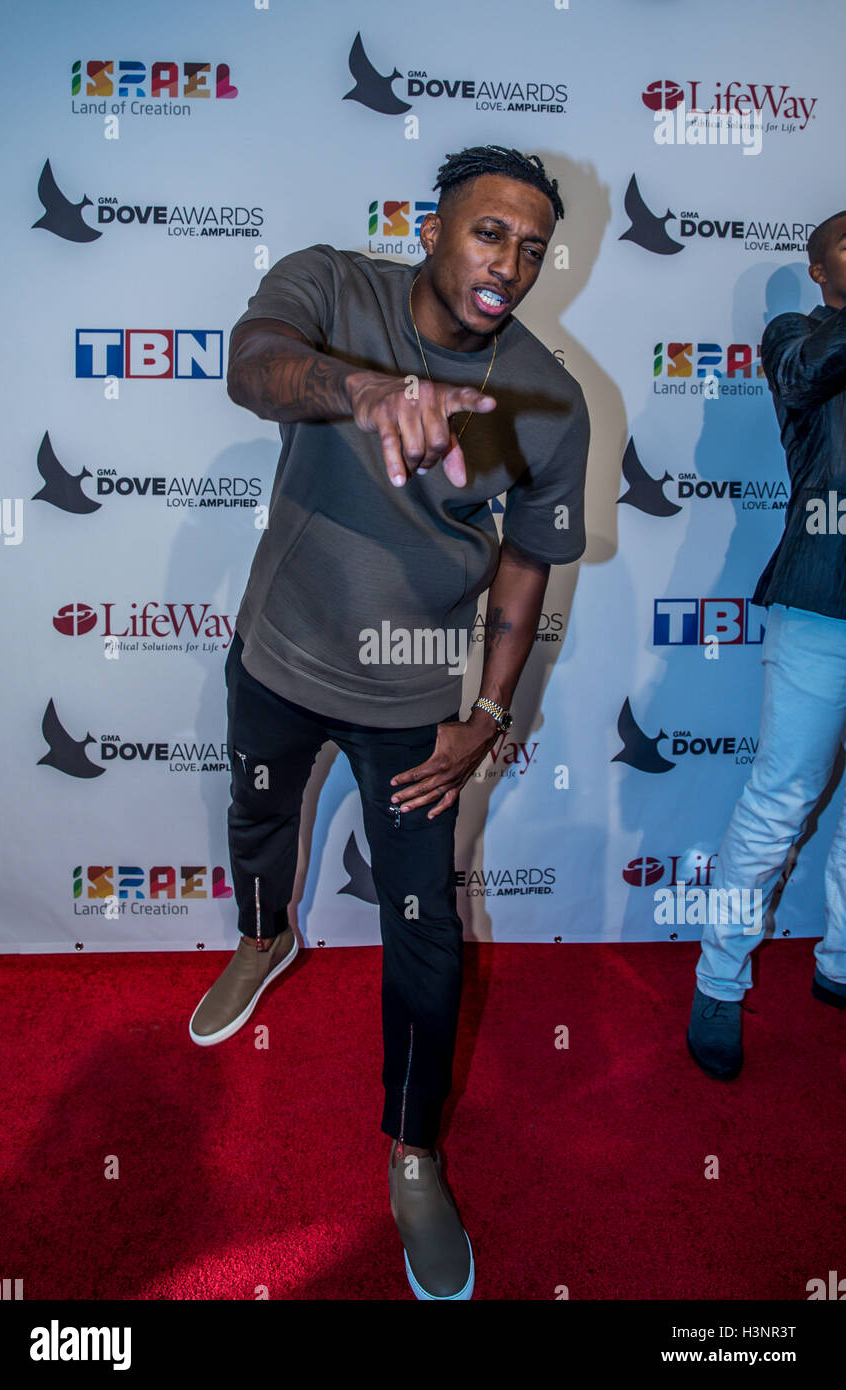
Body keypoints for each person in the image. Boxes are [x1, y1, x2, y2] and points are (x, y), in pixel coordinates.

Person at [188, 145, 590, 1299]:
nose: (507, 263)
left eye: (528, 247)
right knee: (257, 818)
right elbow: (253, 366)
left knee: (423, 928)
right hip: (279, 651)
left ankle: (413, 1149)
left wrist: (492, 712)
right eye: (486, 233)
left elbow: (523, 567)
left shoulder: (539, 396)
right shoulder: (332, 289)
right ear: (430, 225)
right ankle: (265, 939)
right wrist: (364, 390)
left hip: (413, 698)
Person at [688, 209, 846, 1080]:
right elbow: (810, 372)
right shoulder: (796, 333)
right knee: (780, 799)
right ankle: (719, 980)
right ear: (818, 270)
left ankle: (840, 965)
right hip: (821, 601)